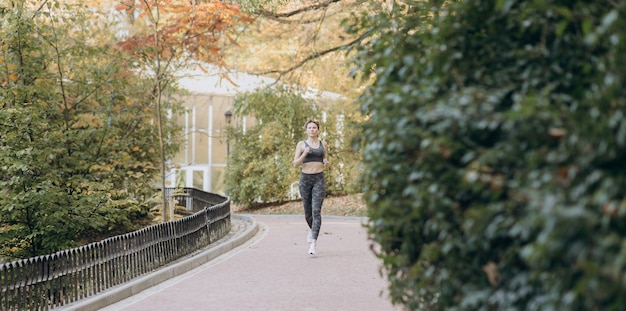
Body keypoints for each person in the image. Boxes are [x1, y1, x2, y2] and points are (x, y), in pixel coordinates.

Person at [293, 119, 329, 255]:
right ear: (306, 130)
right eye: (310, 128)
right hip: (305, 180)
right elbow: (295, 164)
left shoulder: (323, 144)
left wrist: (325, 162)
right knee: (308, 213)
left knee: (316, 211)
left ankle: (313, 243)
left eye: (314, 127)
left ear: (318, 130)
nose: (312, 130)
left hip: (319, 179)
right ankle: (312, 230)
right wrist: (304, 153)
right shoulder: (301, 144)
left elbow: (324, 158)